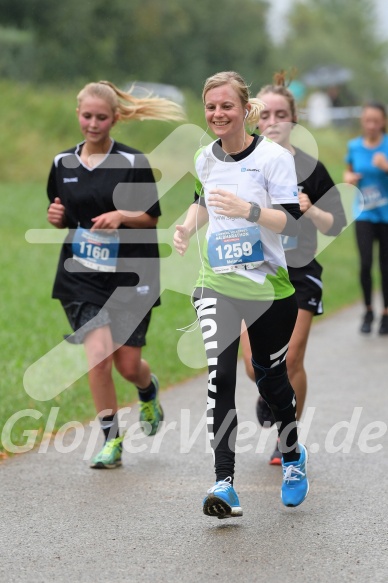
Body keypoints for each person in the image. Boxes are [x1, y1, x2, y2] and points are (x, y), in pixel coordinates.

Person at [173, 71, 308, 516]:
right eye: (211, 106)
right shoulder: (204, 158)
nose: (217, 114)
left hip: (269, 288)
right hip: (216, 283)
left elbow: (291, 222)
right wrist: (186, 226)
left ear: (245, 110)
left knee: (270, 379)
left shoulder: (272, 158)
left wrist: (249, 210)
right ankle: (224, 483)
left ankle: (292, 456)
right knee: (220, 379)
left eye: (226, 106)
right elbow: (202, 199)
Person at [47, 80, 185, 469]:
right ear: (78, 114)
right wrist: (54, 218)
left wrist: (122, 216)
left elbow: (150, 219)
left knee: (128, 365)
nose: (93, 124)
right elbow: (62, 215)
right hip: (82, 273)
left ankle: (147, 387)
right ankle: (111, 441)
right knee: (98, 356)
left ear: (116, 118)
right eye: (87, 116)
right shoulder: (62, 164)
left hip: (131, 274)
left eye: (101, 117)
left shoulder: (133, 163)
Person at [240, 71, 347, 465]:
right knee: (255, 367)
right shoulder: (242, 164)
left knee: (291, 360)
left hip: (300, 272)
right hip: (254, 271)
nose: (272, 123)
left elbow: (336, 223)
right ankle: (270, 391)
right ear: (253, 119)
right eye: (264, 115)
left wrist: (310, 208)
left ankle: (287, 441)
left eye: (281, 115)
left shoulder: (311, 168)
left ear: (293, 120)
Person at [343, 102, 388, 335]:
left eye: (376, 121)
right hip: (364, 213)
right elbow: (348, 171)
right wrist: (349, 177)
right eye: (367, 120)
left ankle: (386, 314)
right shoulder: (354, 146)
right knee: (365, 263)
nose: (371, 125)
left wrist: (386, 166)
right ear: (363, 121)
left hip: (387, 214)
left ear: (383, 122)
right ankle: (368, 311)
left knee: (386, 266)